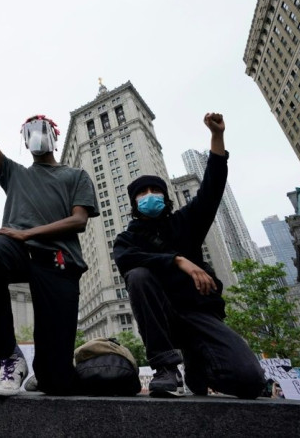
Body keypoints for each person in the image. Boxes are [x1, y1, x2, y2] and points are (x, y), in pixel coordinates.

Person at [0, 61, 98, 396]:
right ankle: (9, 356)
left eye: (41, 129)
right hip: (16, 251)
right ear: (24, 140)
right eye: (29, 131)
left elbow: (79, 220)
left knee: (57, 382)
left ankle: (50, 372)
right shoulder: (14, 173)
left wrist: (27, 233)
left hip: (58, 259)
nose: (36, 134)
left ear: (54, 135)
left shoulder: (75, 176)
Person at [113, 113, 265, 399]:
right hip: (160, 319)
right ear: (134, 203)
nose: (149, 195)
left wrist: (217, 137)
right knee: (139, 275)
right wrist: (178, 260)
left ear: (166, 197)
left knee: (251, 380)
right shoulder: (127, 239)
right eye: (142, 192)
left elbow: (212, 188)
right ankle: (166, 368)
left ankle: (200, 366)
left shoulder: (186, 221)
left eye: (155, 190)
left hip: (197, 311)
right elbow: (128, 262)